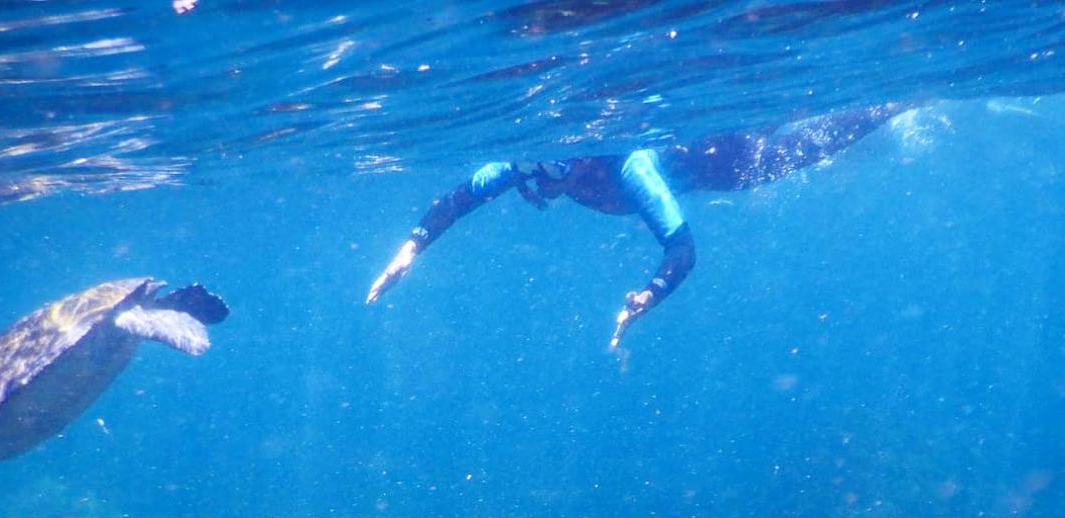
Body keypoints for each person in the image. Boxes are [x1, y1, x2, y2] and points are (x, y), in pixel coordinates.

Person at [366, 106, 900, 349]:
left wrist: (652, 293)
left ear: (578, 160)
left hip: (733, 160)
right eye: (530, 168)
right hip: (712, 141)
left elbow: (683, 250)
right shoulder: (530, 163)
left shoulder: (631, 168)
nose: (537, 181)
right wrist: (409, 251)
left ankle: (899, 106)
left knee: (822, 138)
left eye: (550, 169)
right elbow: (460, 198)